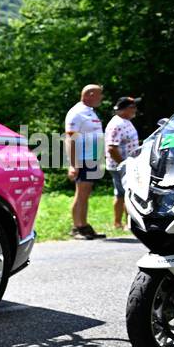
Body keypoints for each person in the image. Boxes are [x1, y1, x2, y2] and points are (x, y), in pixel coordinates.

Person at [64, 83, 106, 240]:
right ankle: (77, 227)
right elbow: (70, 138)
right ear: (89, 94)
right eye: (99, 94)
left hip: (91, 158)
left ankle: (84, 225)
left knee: (85, 193)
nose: (101, 97)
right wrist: (73, 164)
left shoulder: (90, 112)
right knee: (81, 193)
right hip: (82, 158)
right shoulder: (77, 112)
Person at [105, 96, 140, 231]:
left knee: (122, 194)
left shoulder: (125, 121)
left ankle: (120, 223)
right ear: (124, 109)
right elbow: (111, 148)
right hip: (120, 166)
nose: (135, 110)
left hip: (125, 164)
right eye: (133, 107)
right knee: (126, 194)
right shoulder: (117, 124)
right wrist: (124, 164)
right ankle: (124, 223)